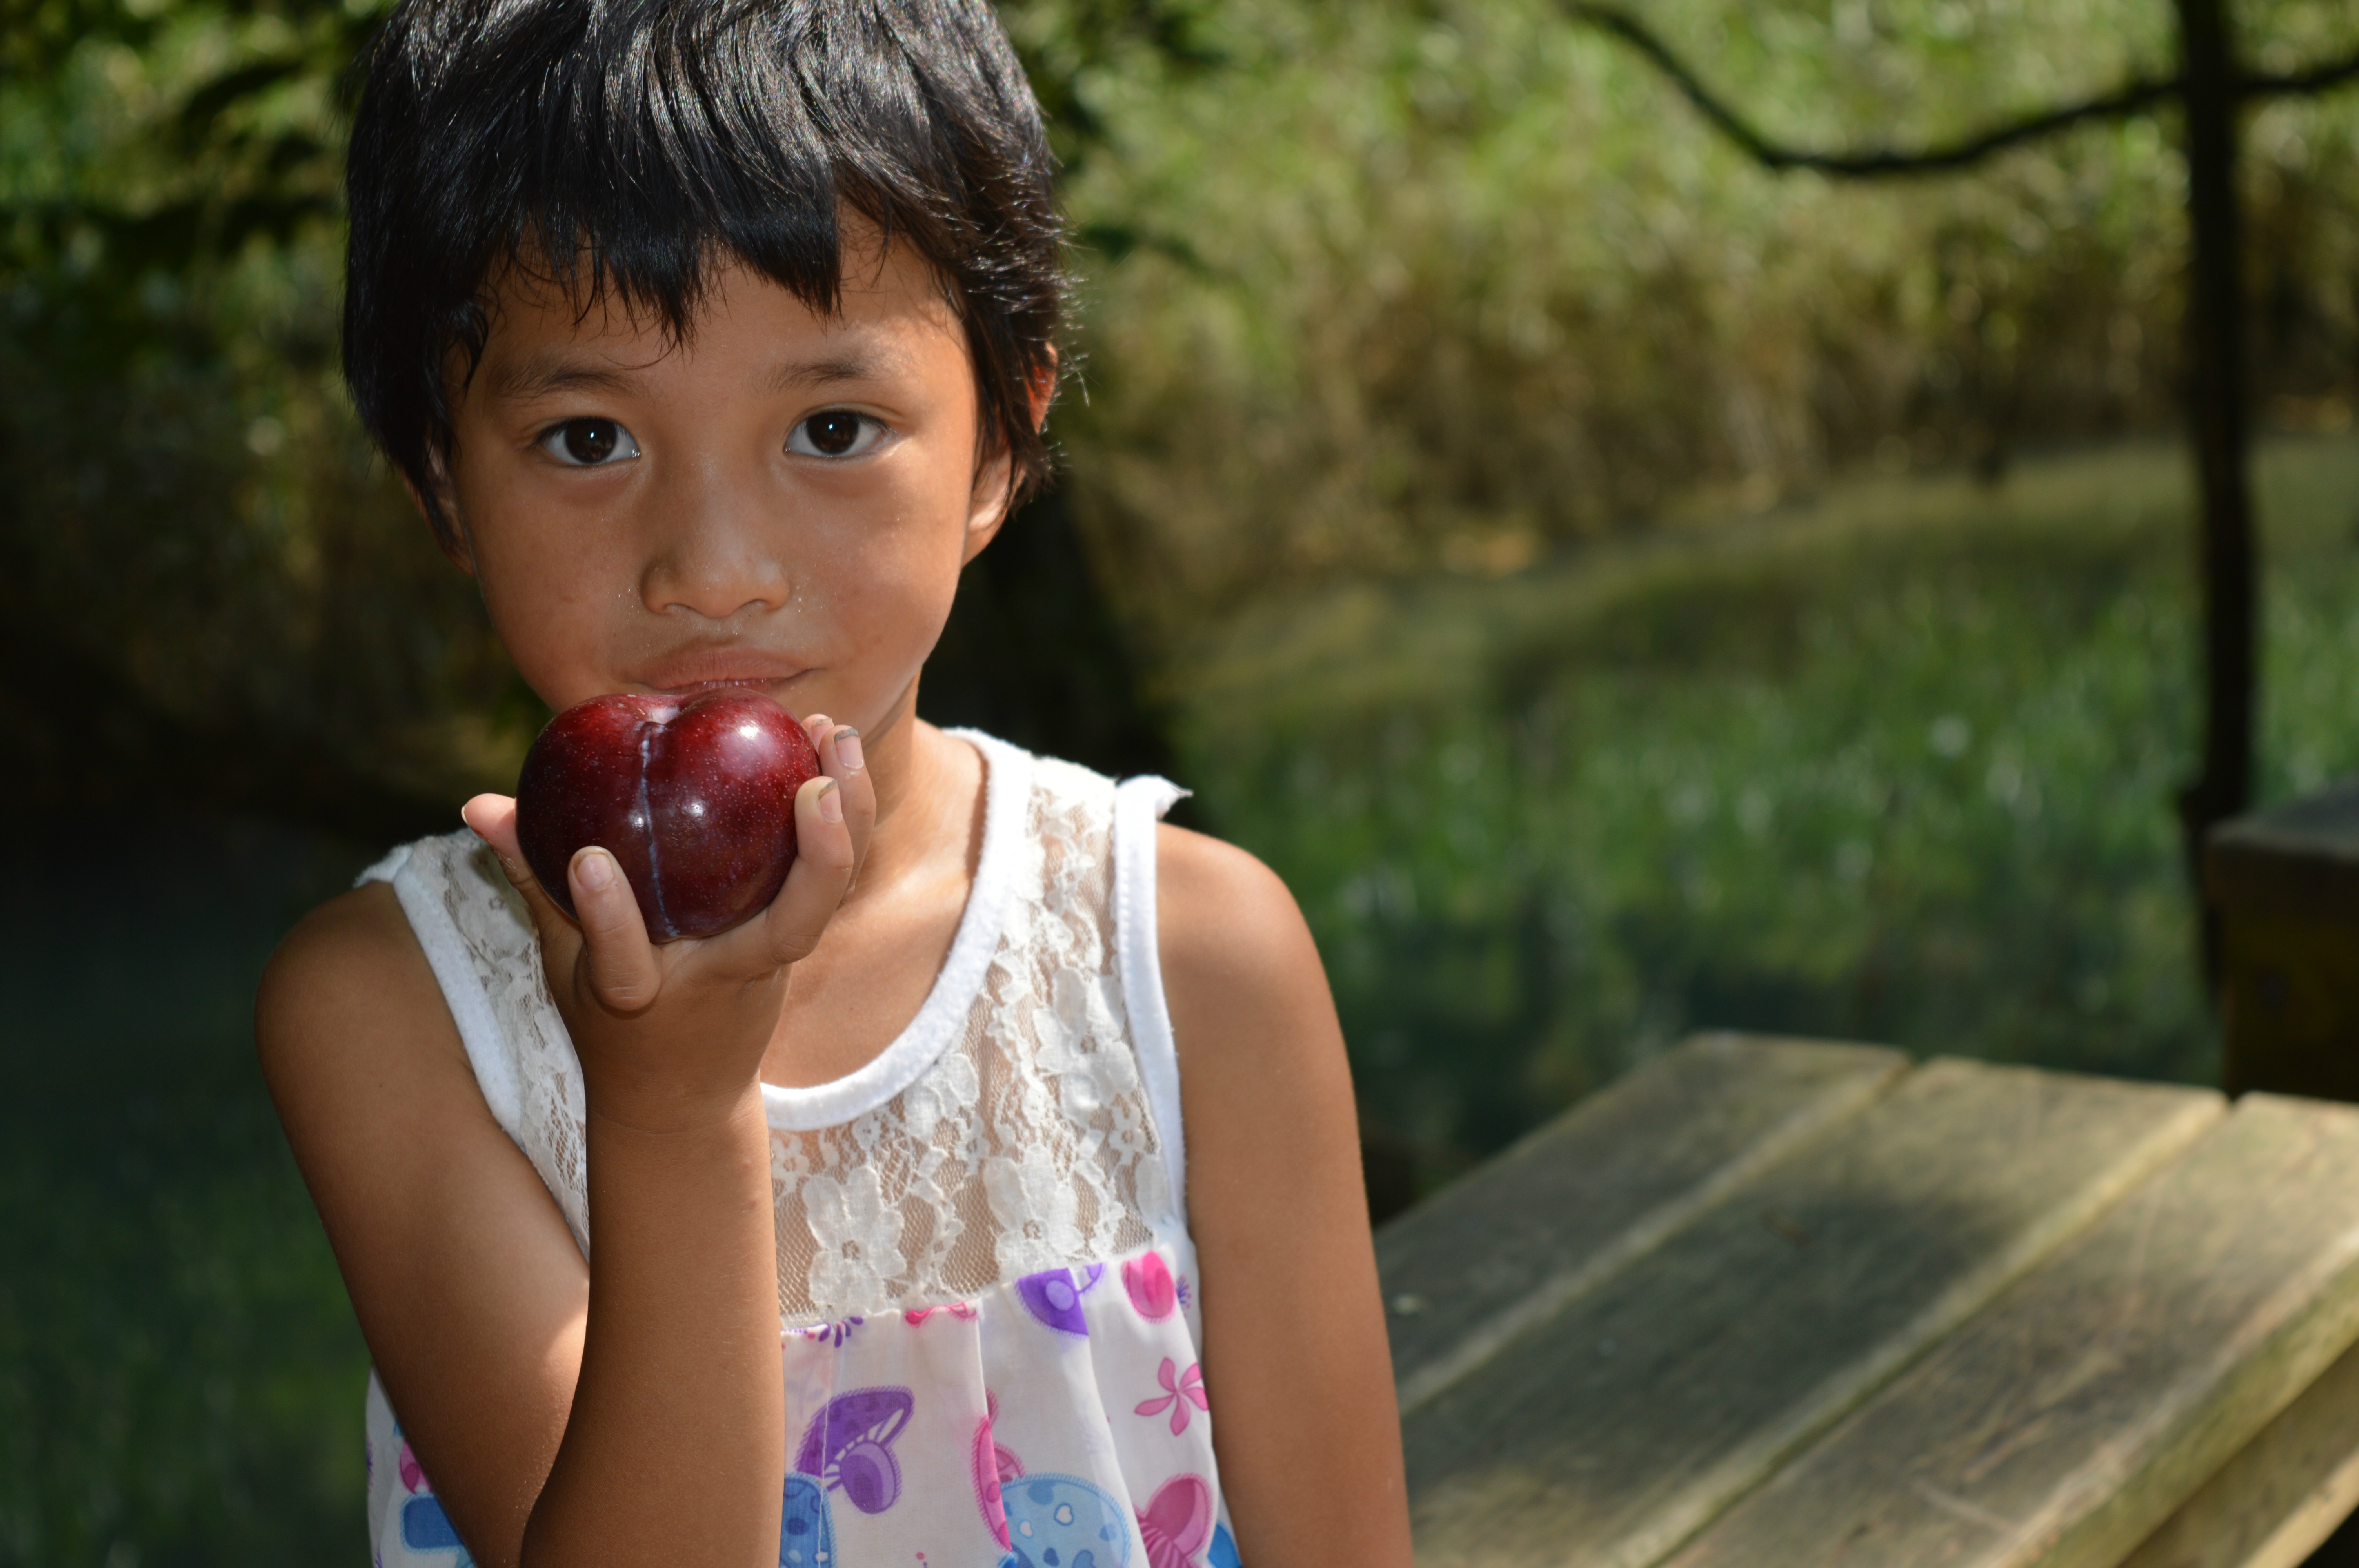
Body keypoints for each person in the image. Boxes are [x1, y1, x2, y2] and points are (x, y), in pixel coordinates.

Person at [253, 0, 1413, 1564]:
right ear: (442, 486)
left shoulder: (1194, 959)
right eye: (589, 437)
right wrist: (673, 1113)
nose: (713, 572)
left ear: (1003, 445)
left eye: (832, 426)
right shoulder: (390, 1013)